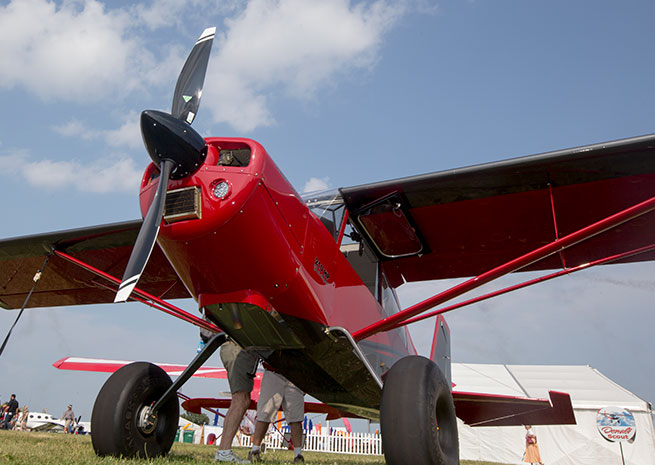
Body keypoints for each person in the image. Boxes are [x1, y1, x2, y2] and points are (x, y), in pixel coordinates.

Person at [215, 339, 259, 463]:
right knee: (241, 400)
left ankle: (223, 451)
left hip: (235, 348)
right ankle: (224, 451)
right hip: (239, 349)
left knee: (240, 400)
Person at [248, 369, 305, 463]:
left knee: (296, 418)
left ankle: (298, 455)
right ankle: (254, 450)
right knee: (264, 415)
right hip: (273, 371)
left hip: (295, 374)